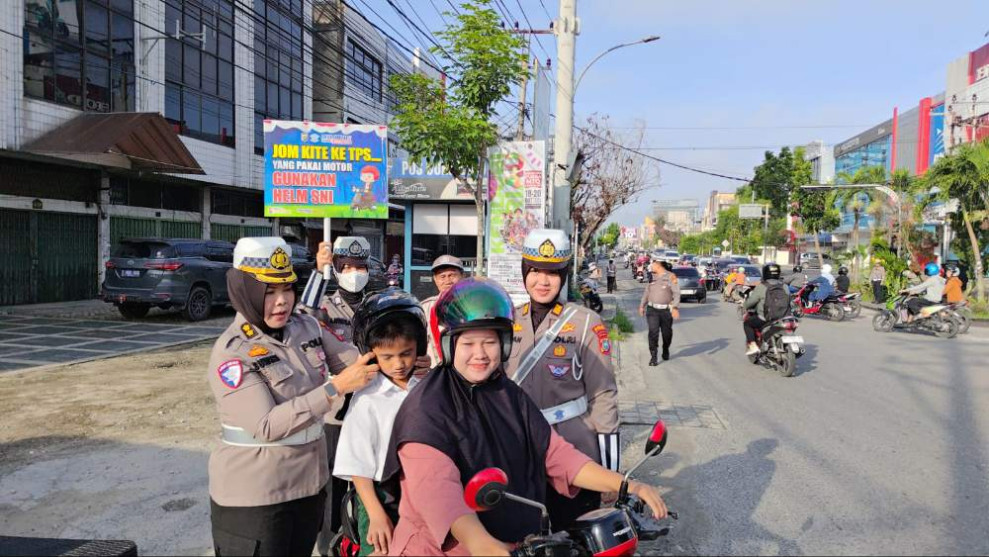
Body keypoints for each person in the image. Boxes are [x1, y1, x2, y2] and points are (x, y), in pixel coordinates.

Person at [380, 279, 668, 556]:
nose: (480, 354)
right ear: (448, 346)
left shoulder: (508, 394)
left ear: (504, 345)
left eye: (490, 342)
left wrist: (625, 484)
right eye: (468, 344)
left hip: (517, 543)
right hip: (442, 548)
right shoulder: (427, 407)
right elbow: (437, 490)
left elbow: (557, 455)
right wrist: (480, 543)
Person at [207, 237, 380, 556]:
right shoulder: (232, 352)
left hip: (308, 488)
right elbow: (266, 424)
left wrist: (400, 360)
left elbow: (353, 360)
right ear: (245, 292)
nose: (282, 301)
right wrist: (335, 387)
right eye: (268, 292)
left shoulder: (305, 326)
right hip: (256, 499)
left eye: (286, 289)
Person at [505, 229, 621, 530]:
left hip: (573, 448)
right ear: (524, 272)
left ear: (563, 275)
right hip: (519, 450)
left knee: (570, 533)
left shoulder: (585, 324)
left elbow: (603, 396)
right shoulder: (507, 320)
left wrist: (610, 472)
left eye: (552, 273)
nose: (542, 282)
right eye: (534, 271)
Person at [334, 289, 428, 556]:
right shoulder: (367, 399)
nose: (398, 364)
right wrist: (375, 514)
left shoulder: (427, 388)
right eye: (387, 357)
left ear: (419, 348)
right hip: (380, 498)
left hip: (424, 496)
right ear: (372, 354)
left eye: (406, 353)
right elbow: (358, 464)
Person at [299, 236, 377, 554]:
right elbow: (302, 315)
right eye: (347, 267)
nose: (355, 273)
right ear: (337, 268)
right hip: (336, 414)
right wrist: (318, 273)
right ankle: (330, 544)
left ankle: (362, 538)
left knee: (367, 482)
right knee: (332, 487)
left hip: (370, 410)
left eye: (360, 267)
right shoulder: (325, 307)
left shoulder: (377, 305)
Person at [420, 255, 466, 368]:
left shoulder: (475, 306)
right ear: (435, 280)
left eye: (452, 275)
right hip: (434, 373)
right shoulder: (424, 309)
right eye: (442, 276)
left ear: (463, 276)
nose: (447, 280)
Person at [639, 258, 681, 366]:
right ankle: (653, 356)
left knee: (667, 334)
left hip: (666, 310)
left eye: (653, 266)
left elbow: (676, 293)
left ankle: (665, 348)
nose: (651, 267)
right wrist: (641, 306)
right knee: (653, 332)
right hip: (652, 310)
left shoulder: (671, 276)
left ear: (659, 266)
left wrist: (675, 307)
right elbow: (647, 292)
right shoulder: (652, 276)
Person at [742, 264, 789, 355]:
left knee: (747, 323)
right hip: (785, 316)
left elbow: (752, 301)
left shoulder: (762, 286)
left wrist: (745, 306)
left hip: (767, 317)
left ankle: (753, 345)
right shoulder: (784, 286)